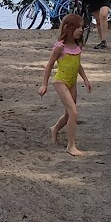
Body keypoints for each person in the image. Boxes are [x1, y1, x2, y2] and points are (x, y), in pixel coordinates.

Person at [38, 13, 94, 157]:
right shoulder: (59, 48)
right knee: (74, 112)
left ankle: (55, 129)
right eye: (78, 28)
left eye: (82, 27)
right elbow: (49, 66)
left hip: (73, 83)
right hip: (61, 82)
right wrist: (44, 85)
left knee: (69, 114)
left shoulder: (77, 46)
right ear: (68, 28)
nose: (81, 30)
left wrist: (86, 80)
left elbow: (78, 65)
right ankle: (71, 146)